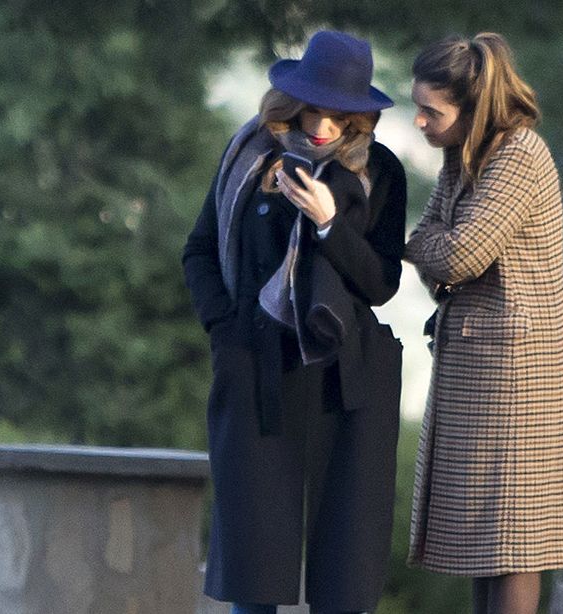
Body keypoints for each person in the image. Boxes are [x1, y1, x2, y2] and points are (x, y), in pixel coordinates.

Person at [182, 30, 406, 614]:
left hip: (343, 378)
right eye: (315, 111)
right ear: (294, 101)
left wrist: (332, 226)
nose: (325, 128)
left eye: (342, 115)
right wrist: (223, 329)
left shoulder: (380, 171)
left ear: (361, 116)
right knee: (254, 580)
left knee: (344, 581)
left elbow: (382, 283)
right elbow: (200, 250)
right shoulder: (249, 152)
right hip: (256, 367)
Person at [405, 32, 563, 614]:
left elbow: (458, 255)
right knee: (482, 544)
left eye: (429, 111)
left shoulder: (519, 154)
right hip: (480, 372)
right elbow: (428, 245)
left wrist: (436, 250)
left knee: (512, 543)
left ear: (472, 105)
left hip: (515, 378)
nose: (418, 122)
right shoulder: (462, 158)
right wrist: (437, 249)